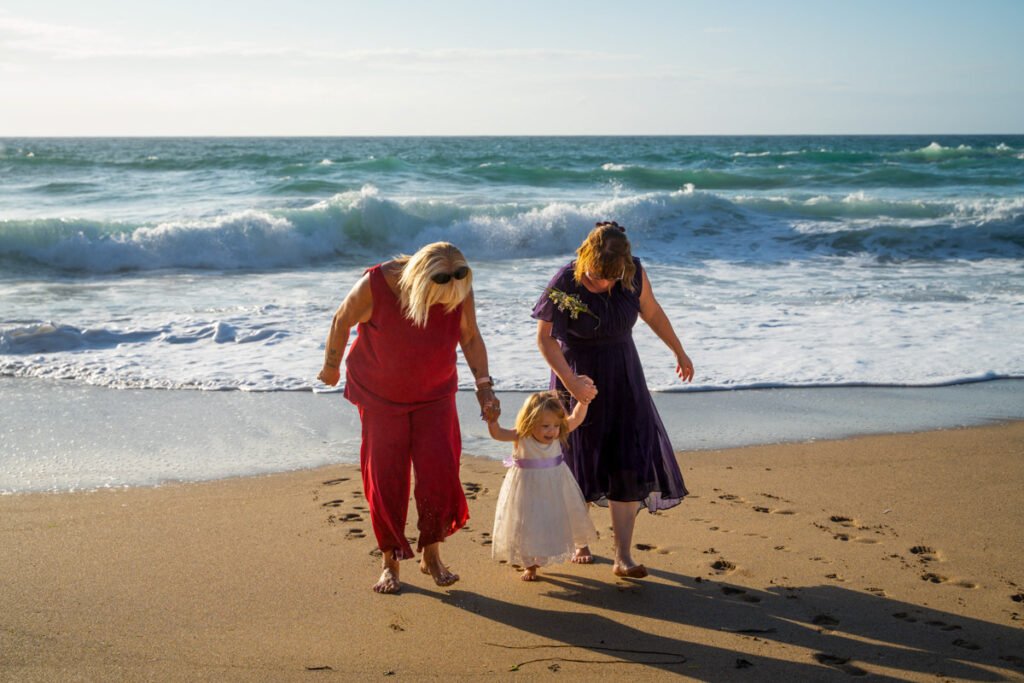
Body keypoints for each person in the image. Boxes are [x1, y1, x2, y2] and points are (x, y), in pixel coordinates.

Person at [318, 242, 500, 594]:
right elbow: (342, 318)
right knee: (386, 476)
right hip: (379, 394)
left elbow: (470, 336)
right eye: (439, 289)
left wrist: (484, 387)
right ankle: (390, 560)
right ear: (418, 277)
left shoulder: (457, 284)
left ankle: (430, 553)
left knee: (439, 471)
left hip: (435, 393)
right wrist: (331, 366)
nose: (447, 297)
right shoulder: (377, 285)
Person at [532, 221, 694, 579]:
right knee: (578, 458)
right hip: (577, 375)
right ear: (586, 256)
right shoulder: (565, 280)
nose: (604, 283)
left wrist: (679, 351)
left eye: (611, 277)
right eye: (598, 276)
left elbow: (650, 311)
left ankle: (623, 556)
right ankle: (580, 539)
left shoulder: (633, 273)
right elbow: (545, 339)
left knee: (627, 458)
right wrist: (572, 384)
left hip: (624, 375)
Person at [487, 390, 599, 581]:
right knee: (526, 525)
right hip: (526, 489)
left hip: (555, 486)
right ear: (530, 422)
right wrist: (492, 420)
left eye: (555, 425)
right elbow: (497, 434)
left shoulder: (558, 434)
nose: (552, 431)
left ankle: (547, 552)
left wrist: (584, 401)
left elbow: (576, 418)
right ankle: (529, 565)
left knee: (553, 520)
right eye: (545, 426)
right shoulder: (521, 435)